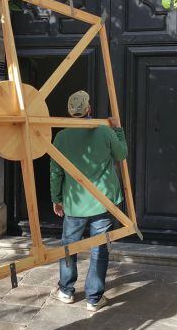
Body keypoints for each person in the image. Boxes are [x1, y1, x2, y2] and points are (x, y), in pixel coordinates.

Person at [49, 90, 127, 312]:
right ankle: (94, 298)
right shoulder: (104, 132)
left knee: (69, 248)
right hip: (103, 202)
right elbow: (121, 155)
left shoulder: (61, 137)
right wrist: (118, 130)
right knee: (99, 249)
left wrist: (56, 198)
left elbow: (56, 172)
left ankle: (65, 290)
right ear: (89, 110)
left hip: (74, 205)